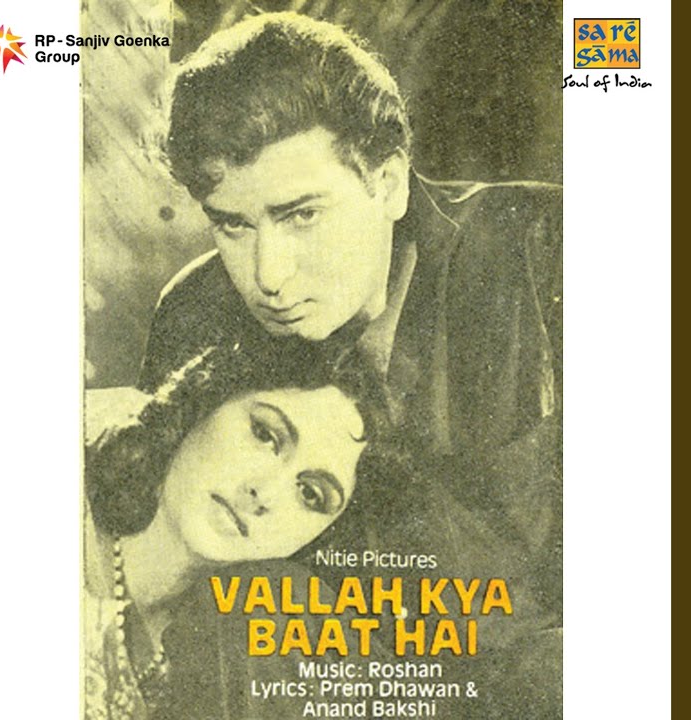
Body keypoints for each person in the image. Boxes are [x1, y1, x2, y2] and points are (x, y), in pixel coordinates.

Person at [126, 11, 563, 717]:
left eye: (301, 215)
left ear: (388, 182)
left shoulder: (549, 248)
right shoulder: (196, 313)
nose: (268, 275)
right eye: (233, 224)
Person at [83, 342, 391, 720]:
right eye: (265, 435)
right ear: (208, 396)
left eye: (310, 494)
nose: (265, 492)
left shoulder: (221, 663)